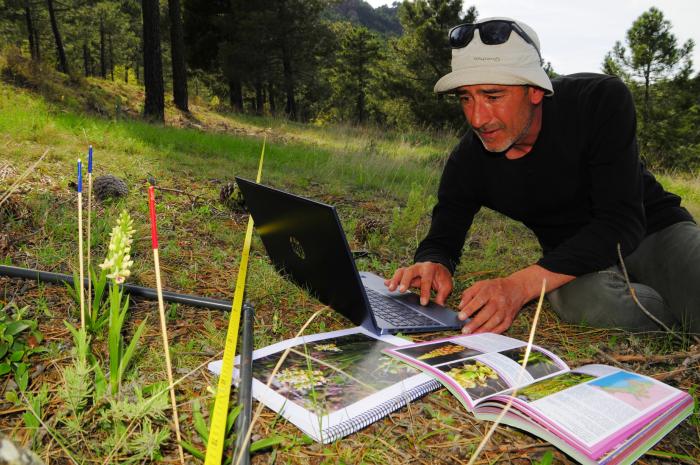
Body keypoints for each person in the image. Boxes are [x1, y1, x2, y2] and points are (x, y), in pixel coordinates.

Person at [385, 17, 700, 335]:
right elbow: (443, 235)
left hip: (655, 230)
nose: (478, 118)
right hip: (573, 264)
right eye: (466, 98)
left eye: (493, 96)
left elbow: (622, 222)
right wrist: (434, 263)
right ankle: (678, 329)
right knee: (592, 304)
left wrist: (518, 286)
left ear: (534, 91)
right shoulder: (468, 159)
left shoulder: (597, 101)